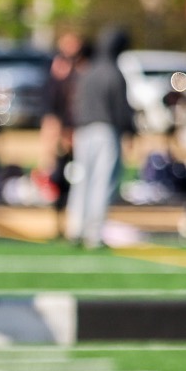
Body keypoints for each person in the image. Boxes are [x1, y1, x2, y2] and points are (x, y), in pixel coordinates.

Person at [66, 26, 135, 249]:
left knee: (82, 181)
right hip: (105, 131)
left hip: (82, 131)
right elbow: (122, 109)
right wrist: (129, 132)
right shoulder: (114, 73)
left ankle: (75, 227)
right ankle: (94, 233)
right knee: (102, 182)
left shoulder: (87, 72)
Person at [39, 31, 87, 208]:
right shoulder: (56, 70)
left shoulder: (82, 69)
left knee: (76, 172)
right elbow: (51, 105)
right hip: (59, 127)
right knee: (56, 170)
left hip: (76, 128)